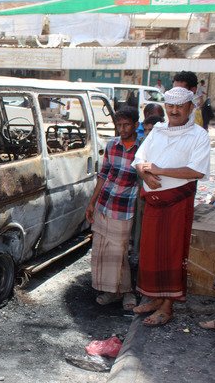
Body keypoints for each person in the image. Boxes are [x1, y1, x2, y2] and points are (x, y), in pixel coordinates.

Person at [131, 86, 211, 327]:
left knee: (172, 254)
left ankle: (167, 307)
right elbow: (139, 159)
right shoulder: (157, 130)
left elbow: (196, 170)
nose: (174, 111)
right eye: (170, 106)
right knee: (151, 252)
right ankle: (155, 299)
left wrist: (158, 170)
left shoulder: (199, 135)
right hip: (154, 202)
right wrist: (145, 176)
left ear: (190, 107)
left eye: (179, 106)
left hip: (178, 203)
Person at [85, 106, 141, 311]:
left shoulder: (143, 148)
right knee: (103, 251)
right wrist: (92, 202)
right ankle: (111, 292)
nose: (123, 129)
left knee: (119, 252)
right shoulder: (112, 145)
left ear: (136, 125)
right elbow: (104, 174)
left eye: (127, 124)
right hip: (105, 204)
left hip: (125, 208)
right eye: (119, 125)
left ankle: (126, 292)